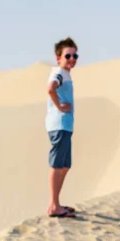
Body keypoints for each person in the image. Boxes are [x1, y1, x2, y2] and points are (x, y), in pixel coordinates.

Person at [45, 37, 79, 218]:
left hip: (64, 126)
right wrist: (59, 107)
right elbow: (51, 88)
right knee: (58, 165)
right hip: (58, 125)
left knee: (65, 165)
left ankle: (55, 203)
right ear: (59, 57)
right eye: (68, 55)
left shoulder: (65, 74)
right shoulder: (58, 72)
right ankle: (54, 206)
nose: (72, 58)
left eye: (75, 55)